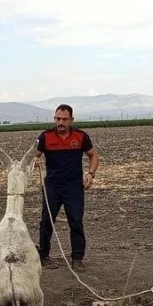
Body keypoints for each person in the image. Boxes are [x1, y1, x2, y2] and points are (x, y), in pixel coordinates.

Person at [35, 103, 100, 269]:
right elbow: (33, 155)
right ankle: (43, 256)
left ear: (71, 119)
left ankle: (77, 258)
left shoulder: (81, 136)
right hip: (52, 187)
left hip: (74, 187)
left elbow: (93, 155)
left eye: (64, 119)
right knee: (46, 221)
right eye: (58, 119)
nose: (61, 122)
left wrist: (90, 174)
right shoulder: (45, 137)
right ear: (54, 119)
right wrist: (34, 161)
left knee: (76, 222)